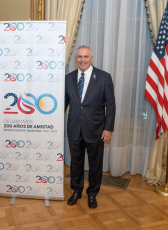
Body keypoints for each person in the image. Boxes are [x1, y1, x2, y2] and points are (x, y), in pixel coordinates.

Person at [65, 45, 116, 208]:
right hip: (74, 129)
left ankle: (92, 194)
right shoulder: (68, 78)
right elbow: (64, 104)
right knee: (76, 163)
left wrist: (108, 128)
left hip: (96, 130)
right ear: (76, 59)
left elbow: (111, 105)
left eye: (86, 57)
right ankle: (76, 191)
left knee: (95, 165)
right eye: (79, 57)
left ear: (91, 58)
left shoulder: (104, 77)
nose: (82, 60)